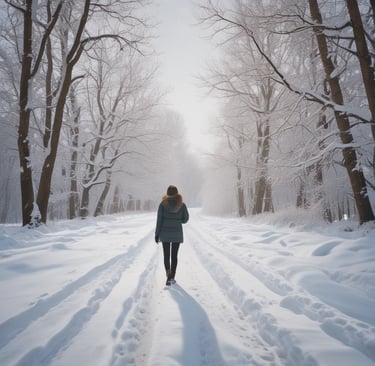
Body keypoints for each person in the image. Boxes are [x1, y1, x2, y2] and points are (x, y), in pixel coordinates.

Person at [155, 185, 189, 286]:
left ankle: (168, 275)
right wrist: (179, 220)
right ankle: (172, 277)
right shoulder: (181, 205)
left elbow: (159, 221)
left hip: (164, 234)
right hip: (177, 234)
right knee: (174, 256)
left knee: (166, 255)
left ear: (168, 193)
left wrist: (157, 234)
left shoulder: (162, 204)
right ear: (177, 193)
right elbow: (186, 219)